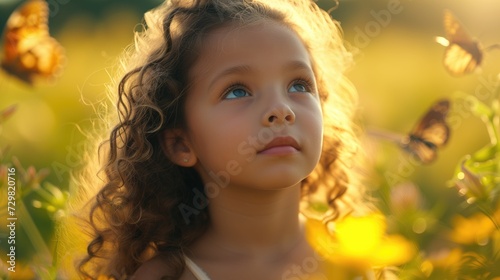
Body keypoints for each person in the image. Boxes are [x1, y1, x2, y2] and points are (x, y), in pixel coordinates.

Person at [68, 0, 369, 279]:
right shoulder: (165, 276)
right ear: (181, 144)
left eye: (299, 85)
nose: (281, 109)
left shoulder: (353, 259)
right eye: (238, 91)